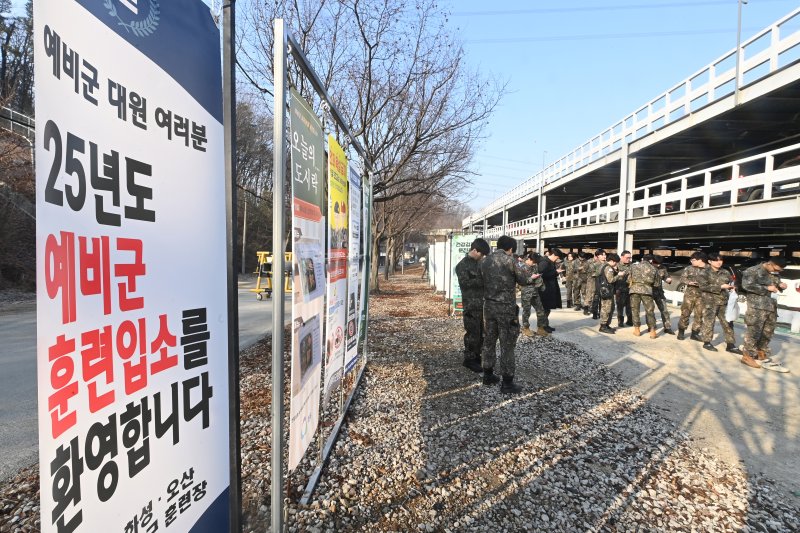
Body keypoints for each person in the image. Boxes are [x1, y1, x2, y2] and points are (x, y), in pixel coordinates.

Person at [479, 235, 536, 393]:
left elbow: (480, 281)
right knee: (507, 344)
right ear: (510, 249)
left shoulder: (484, 261)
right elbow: (524, 280)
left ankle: (488, 374)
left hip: (489, 306)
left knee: (489, 341)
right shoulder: (511, 261)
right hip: (505, 308)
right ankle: (507, 382)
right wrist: (532, 277)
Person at [740, 256, 788, 370]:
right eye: (777, 269)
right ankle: (748, 356)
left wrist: (781, 286)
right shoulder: (752, 271)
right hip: (757, 307)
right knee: (754, 332)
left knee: (768, 331)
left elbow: (775, 285)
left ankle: (760, 352)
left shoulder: (773, 273)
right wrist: (766, 288)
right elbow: (746, 285)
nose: (777, 272)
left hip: (771, 306)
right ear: (771, 264)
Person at [455, 238, 491, 372]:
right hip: (471, 305)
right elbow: (465, 284)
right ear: (474, 250)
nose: (482, 257)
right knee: (472, 333)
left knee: (481, 332)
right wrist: (482, 279)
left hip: (481, 304)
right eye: (481, 254)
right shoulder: (462, 265)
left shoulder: (478, 263)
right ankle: (469, 359)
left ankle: (477, 355)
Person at [698, 252, 742, 354]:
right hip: (710, 301)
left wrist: (733, 287)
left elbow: (732, 282)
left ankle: (730, 345)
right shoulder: (704, 273)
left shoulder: (725, 272)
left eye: (720, 260)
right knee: (709, 322)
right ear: (709, 261)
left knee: (728, 322)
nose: (719, 262)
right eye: (716, 260)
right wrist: (720, 287)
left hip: (724, 301)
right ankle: (707, 342)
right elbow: (703, 286)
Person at [677, 251, 708, 341]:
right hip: (690, 294)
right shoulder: (689, 268)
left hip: (703, 295)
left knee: (699, 314)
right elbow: (682, 278)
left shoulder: (709, 269)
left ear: (700, 260)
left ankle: (695, 333)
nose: (691, 261)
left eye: (693, 260)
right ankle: (681, 331)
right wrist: (689, 282)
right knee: (685, 313)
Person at [628, 254, 659, 338]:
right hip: (647, 291)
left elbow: (628, 279)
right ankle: (652, 331)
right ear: (651, 260)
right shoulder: (654, 269)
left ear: (642, 259)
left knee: (635, 310)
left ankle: (637, 330)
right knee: (649, 311)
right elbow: (657, 284)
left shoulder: (633, 266)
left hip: (634, 290)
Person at [519, 253, 548, 337]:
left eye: (535, 262)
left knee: (540, 310)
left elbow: (538, 278)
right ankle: (526, 328)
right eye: (534, 262)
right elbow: (521, 281)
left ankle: (540, 328)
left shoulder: (535, 266)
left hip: (535, 292)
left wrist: (541, 284)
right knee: (526, 312)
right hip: (526, 293)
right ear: (529, 259)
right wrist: (532, 278)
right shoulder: (522, 268)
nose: (535, 263)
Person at [537, 248, 564, 332]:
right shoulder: (544, 262)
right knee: (544, 308)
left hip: (549, 288)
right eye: (557, 258)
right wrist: (556, 272)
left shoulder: (550, 262)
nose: (557, 260)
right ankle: (542, 327)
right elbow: (542, 275)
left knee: (547, 308)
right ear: (554, 255)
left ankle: (545, 324)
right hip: (544, 289)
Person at [599, 253, 626, 334]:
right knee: (606, 309)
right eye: (615, 262)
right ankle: (603, 326)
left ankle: (606, 325)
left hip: (606, 291)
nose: (616, 264)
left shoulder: (605, 266)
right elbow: (610, 280)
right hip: (607, 291)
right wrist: (619, 275)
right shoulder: (608, 268)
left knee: (610, 308)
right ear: (611, 261)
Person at [651, 255, 675, 335]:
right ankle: (651, 326)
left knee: (664, 310)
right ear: (652, 262)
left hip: (659, 292)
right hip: (649, 292)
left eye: (659, 264)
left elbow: (666, 277)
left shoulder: (663, 268)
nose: (658, 265)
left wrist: (668, 280)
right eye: (656, 264)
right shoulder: (648, 267)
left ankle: (667, 327)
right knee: (650, 310)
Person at [615, 250, 633, 328]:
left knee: (630, 306)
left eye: (630, 257)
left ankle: (630, 320)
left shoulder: (632, 266)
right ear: (622, 257)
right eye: (627, 257)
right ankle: (620, 321)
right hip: (620, 289)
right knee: (620, 306)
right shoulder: (617, 265)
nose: (629, 259)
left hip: (630, 289)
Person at [588, 249, 606, 319]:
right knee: (596, 299)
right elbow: (591, 273)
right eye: (603, 255)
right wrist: (600, 273)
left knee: (603, 299)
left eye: (605, 255)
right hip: (596, 282)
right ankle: (595, 313)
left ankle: (601, 313)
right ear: (598, 256)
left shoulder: (607, 264)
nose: (604, 256)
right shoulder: (594, 265)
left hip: (605, 284)